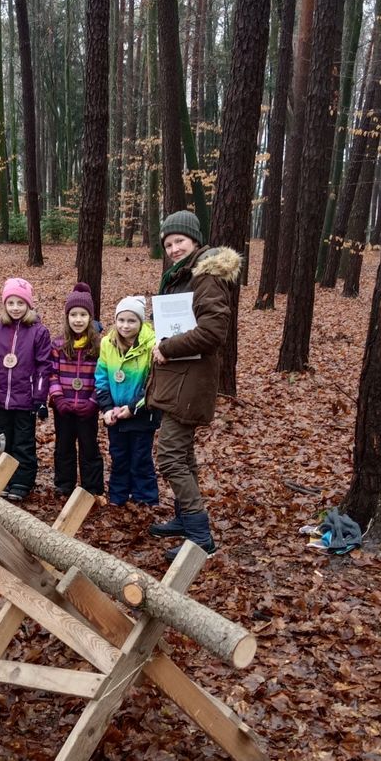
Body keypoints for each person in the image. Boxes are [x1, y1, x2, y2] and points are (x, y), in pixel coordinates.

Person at [146, 210, 241, 559]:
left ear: (195, 241)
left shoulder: (206, 275)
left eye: (179, 241)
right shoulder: (183, 274)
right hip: (179, 380)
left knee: (169, 456)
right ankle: (187, 520)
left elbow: (214, 331)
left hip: (190, 380)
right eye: (168, 243)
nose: (173, 248)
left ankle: (201, 537)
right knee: (182, 454)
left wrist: (167, 347)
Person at [0, 277, 52, 501]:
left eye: (21, 303)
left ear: (29, 304)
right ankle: (4, 478)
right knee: (3, 440)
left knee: (23, 442)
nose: (16, 308)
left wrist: (39, 399)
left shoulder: (38, 332)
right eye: (11, 303)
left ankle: (22, 480)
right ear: (4, 305)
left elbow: (43, 367)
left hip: (25, 400)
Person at [95, 296, 160, 508]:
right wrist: (106, 408)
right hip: (115, 414)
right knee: (119, 456)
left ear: (141, 323)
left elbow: (152, 384)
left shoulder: (152, 345)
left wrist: (133, 408)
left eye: (131, 321)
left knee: (140, 457)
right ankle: (118, 496)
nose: (125, 325)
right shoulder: (107, 343)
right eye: (121, 320)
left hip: (142, 414)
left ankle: (145, 498)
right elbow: (101, 377)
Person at [48, 282, 104, 497]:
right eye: (73, 315)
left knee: (89, 447)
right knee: (63, 446)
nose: (78, 320)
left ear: (90, 317)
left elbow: (102, 378)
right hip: (64, 408)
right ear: (67, 317)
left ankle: (92, 487)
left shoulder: (99, 346)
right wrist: (58, 399)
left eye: (83, 315)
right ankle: (64, 483)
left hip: (87, 408)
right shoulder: (58, 345)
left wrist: (93, 401)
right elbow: (52, 374)